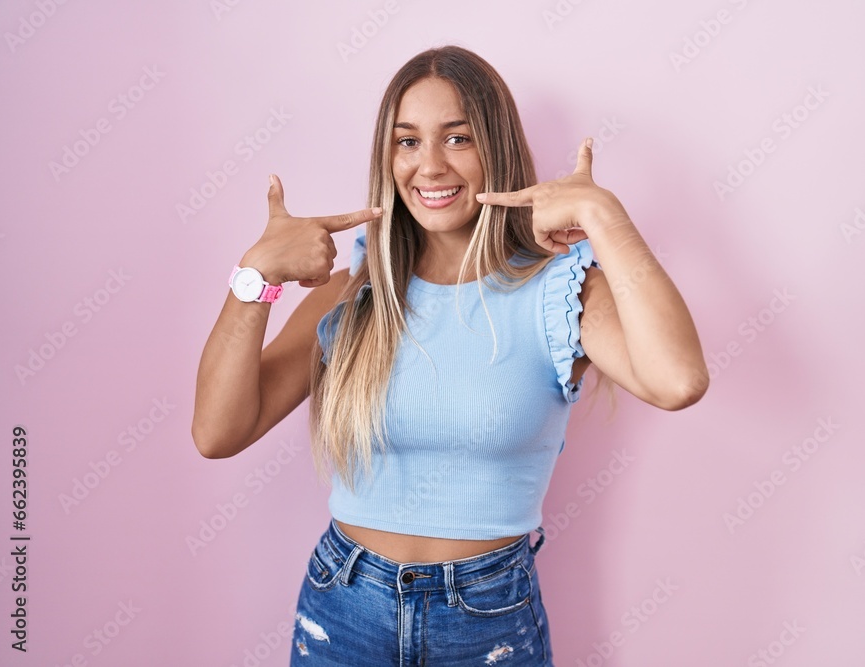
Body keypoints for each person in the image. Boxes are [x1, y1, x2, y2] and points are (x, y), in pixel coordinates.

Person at [192, 44, 707, 666]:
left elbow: (678, 381)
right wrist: (255, 278)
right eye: (407, 141)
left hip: (487, 621)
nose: (428, 166)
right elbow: (218, 432)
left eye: (457, 138)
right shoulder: (356, 286)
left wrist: (605, 217)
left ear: (496, 147)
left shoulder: (560, 288)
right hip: (344, 606)